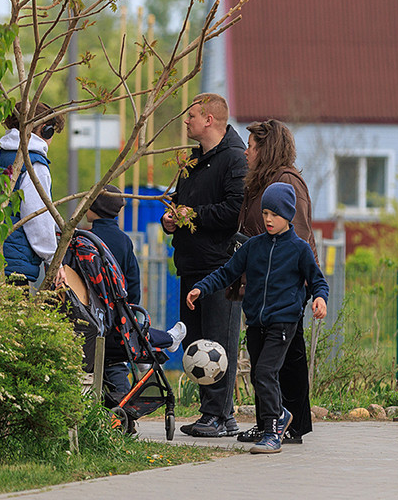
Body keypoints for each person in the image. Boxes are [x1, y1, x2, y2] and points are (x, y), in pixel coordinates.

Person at [186, 182, 329, 454]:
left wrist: (320, 298)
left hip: (283, 322)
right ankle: (280, 416)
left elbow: (317, 281)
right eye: (265, 213)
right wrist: (201, 288)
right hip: (256, 323)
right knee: (258, 376)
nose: (268, 219)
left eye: (274, 214)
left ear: (288, 215)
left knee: (265, 372)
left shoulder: (299, 249)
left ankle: (273, 432)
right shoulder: (253, 246)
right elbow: (226, 272)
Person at [160, 93, 247, 437]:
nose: (186, 121)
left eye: (192, 115)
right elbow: (181, 202)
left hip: (221, 267)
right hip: (191, 263)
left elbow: (234, 211)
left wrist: (191, 215)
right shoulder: (193, 160)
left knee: (218, 342)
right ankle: (215, 413)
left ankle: (219, 415)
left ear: (209, 120)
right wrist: (171, 218)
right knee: (195, 343)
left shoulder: (235, 158)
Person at [233, 119, 319, 445]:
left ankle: (291, 424)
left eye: (251, 146)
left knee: (287, 358)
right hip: (263, 284)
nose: (246, 152)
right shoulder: (262, 181)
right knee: (262, 357)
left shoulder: (286, 181)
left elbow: (298, 235)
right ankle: (268, 422)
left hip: (285, 286)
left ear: (265, 149)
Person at [84, 184, 186, 402]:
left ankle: (162, 341)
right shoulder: (122, 240)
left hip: (88, 318)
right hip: (115, 321)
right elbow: (132, 283)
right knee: (125, 345)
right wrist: (128, 309)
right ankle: (165, 341)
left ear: (96, 208)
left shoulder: (84, 240)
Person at [0, 102, 64, 285]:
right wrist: (54, 261)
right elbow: (38, 219)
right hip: (14, 267)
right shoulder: (34, 165)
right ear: (45, 129)